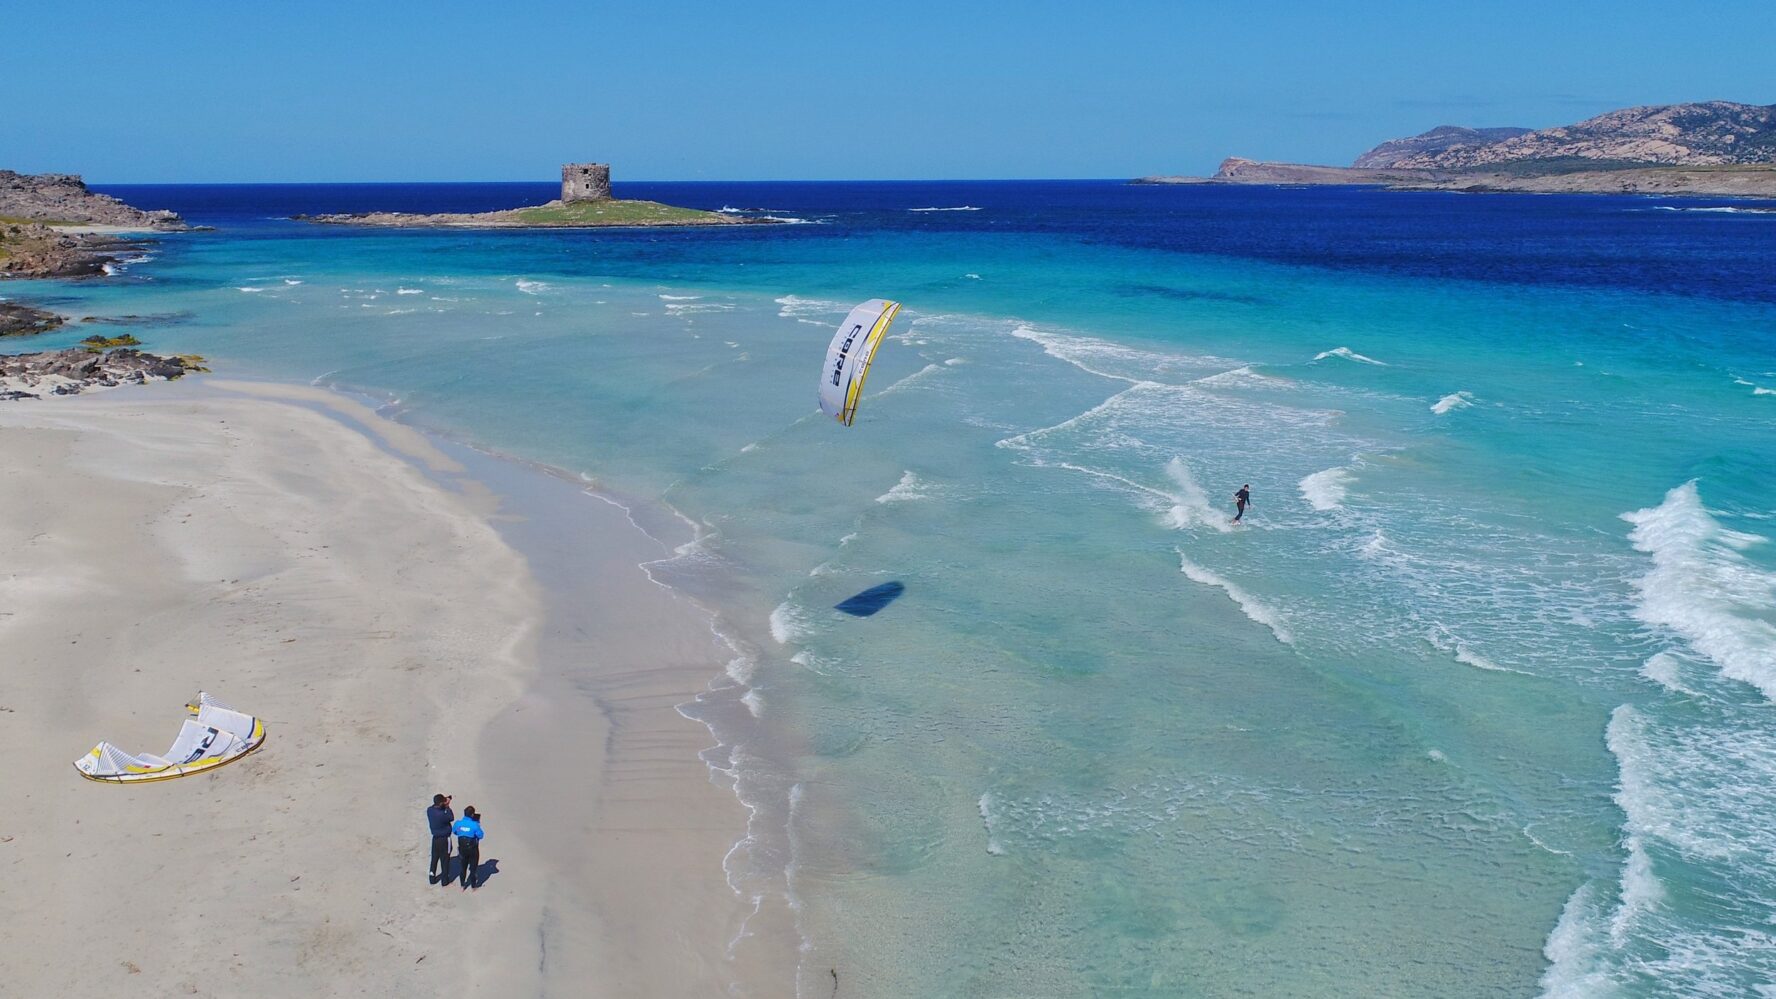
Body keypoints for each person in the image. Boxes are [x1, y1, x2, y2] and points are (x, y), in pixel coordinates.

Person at [453, 806, 485, 890]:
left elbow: (454, 832)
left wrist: (463, 832)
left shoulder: (458, 823)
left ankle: (462, 885)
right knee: (473, 868)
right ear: (472, 814)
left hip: (462, 848)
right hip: (472, 849)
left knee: (463, 867)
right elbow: (481, 836)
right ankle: (473, 886)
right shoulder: (475, 825)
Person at [426, 793, 454, 885]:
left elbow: (435, 807)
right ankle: (444, 880)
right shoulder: (443, 814)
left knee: (434, 858)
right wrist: (447, 806)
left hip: (435, 839)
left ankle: (432, 877)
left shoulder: (429, 810)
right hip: (445, 839)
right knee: (445, 859)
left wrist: (443, 804)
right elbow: (451, 817)